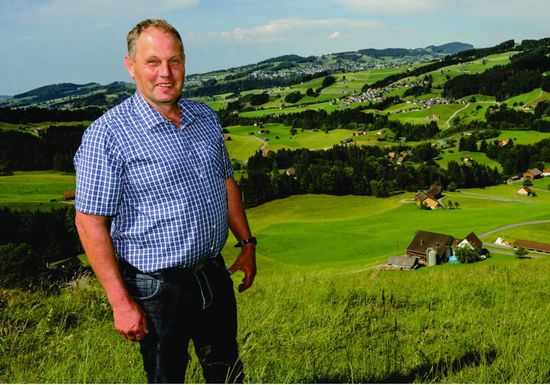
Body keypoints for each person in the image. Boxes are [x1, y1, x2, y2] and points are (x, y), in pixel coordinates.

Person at [74, 18, 256, 384]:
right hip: (156, 289)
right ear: (131, 67)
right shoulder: (107, 136)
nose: (166, 73)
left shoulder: (204, 116)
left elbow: (226, 182)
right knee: (166, 377)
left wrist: (247, 243)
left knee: (227, 370)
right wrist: (120, 302)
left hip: (212, 275)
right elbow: (89, 221)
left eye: (175, 61)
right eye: (153, 62)